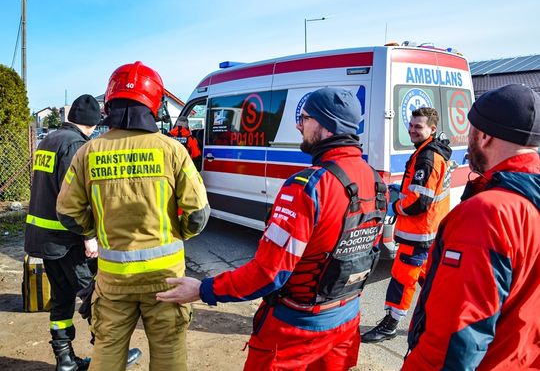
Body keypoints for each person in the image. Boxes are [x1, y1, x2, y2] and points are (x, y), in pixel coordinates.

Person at [157, 87, 387, 370]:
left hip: (294, 333)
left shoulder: (307, 188)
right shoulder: (376, 181)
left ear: (326, 125)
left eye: (304, 118)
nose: (298, 125)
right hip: (345, 323)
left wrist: (203, 289)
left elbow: (269, 273)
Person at [56, 61, 210, 371]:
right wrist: (178, 233)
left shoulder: (89, 151)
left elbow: (67, 212)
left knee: (108, 352)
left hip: (114, 279)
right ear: (154, 104)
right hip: (166, 278)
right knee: (168, 354)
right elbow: (198, 214)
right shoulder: (171, 150)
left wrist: (96, 230)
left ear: (110, 103)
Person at [402, 84, 540, 370]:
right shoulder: (530, 197)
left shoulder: (488, 213)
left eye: (472, 130)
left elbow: (455, 340)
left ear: (485, 136)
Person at [24, 95, 140, 371]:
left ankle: (65, 360)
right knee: (95, 296)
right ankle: (109, 357)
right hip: (68, 239)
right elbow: (76, 198)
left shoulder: (49, 140)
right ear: (93, 122)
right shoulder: (76, 145)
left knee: (62, 299)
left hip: (43, 239)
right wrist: (89, 236)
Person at [362, 107, 452, 343]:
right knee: (428, 280)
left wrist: (395, 206)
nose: (412, 130)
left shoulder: (427, 157)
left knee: (402, 279)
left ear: (432, 129)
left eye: (418, 127)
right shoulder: (431, 152)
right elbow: (420, 192)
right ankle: (443, 321)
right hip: (430, 231)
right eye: (411, 125)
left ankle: (390, 324)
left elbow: (419, 202)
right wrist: (400, 192)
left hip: (418, 233)